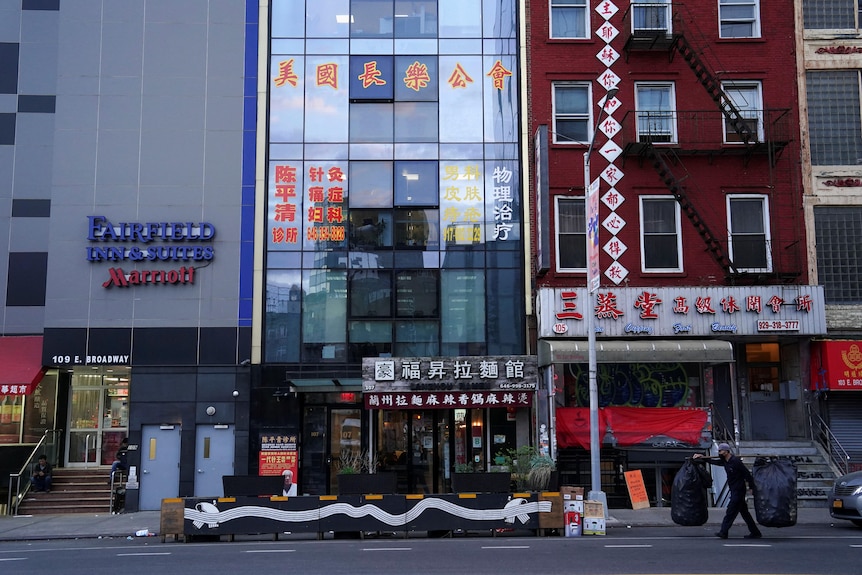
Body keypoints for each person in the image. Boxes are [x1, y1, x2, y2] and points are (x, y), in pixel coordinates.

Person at [693, 442, 763, 539]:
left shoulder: (735, 461)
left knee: (730, 512)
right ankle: (755, 532)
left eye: (720, 451)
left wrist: (751, 487)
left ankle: (723, 532)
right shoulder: (725, 461)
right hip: (734, 489)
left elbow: (747, 474)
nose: (719, 453)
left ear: (726, 451)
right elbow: (714, 462)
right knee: (745, 513)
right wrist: (703, 457)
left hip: (738, 491)